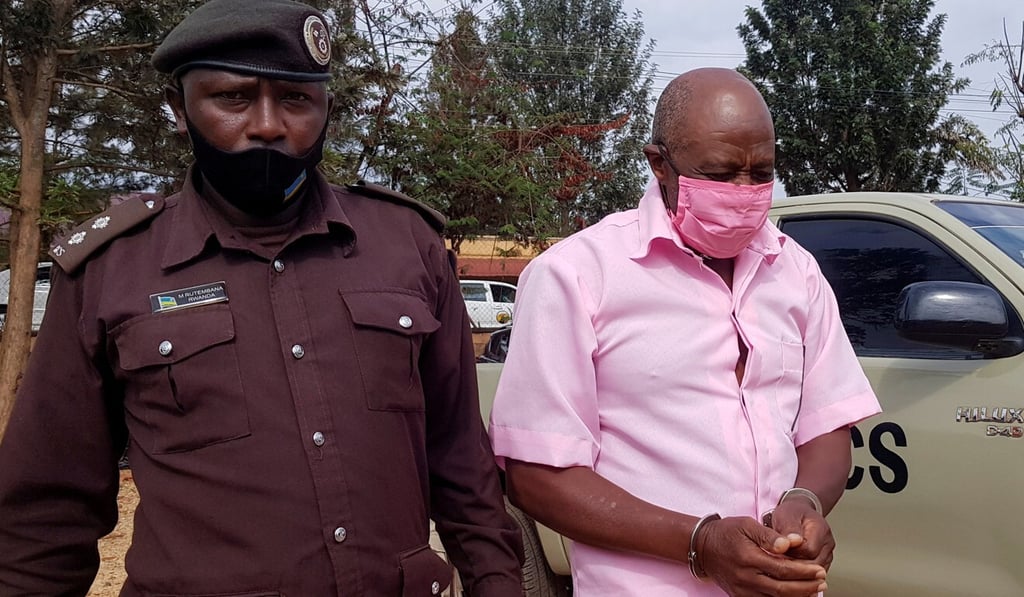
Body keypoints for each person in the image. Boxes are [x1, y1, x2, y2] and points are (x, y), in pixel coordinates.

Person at [0, 0, 522, 594]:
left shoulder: (408, 247)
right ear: (179, 109)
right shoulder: (111, 270)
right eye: (234, 98)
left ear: (325, 109)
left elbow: (462, 463)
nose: (269, 124)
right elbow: (45, 514)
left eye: (296, 99)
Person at [488, 67, 882, 596]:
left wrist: (804, 503)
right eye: (720, 174)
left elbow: (826, 429)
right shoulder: (578, 275)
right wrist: (701, 543)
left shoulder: (796, 271)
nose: (745, 191)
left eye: (761, 171)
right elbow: (537, 476)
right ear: (660, 165)